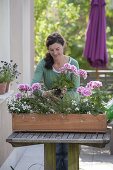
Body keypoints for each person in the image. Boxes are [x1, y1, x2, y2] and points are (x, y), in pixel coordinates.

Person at [32, 32, 80, 170]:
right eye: (51, 50)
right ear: (48, 50)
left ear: (63, 46)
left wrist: (63, 94)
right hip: (51, 110)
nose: (55, 53)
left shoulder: (73, 63)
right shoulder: (44, 64)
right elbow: (34, 85)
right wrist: (45, 93)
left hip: (71, 109)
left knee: (68, 148)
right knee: (56, 149)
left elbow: (75, 89)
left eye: (57, 49)